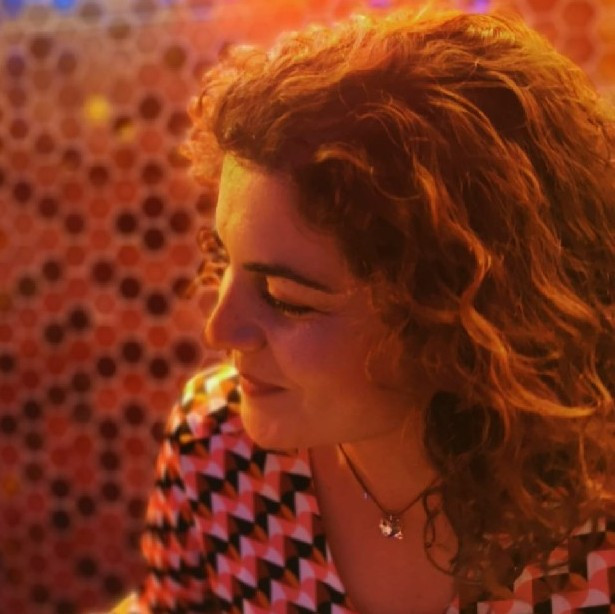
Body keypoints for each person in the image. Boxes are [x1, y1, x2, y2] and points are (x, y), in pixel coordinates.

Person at [131, 6, 615, 613]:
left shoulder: (596, 518)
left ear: (461, 314)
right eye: (220, 258)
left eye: (286, 299)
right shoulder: (218, 448)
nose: (219, 328)